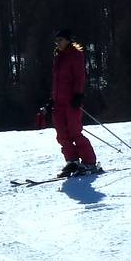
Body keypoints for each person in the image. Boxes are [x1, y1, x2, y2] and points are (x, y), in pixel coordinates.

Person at [50, 29, 99, 177]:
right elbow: (57, 81)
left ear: (68, 40)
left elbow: (79, 76)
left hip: (71, 101)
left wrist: (78, 95)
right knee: (61, 134)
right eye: (56, 41)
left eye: (60, 40)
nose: (57, 43)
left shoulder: (75, 55)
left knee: (74, 132)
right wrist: (52, 99)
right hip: (58, 102)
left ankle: (89, 161)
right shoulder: (58, 56)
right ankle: (72, 160)